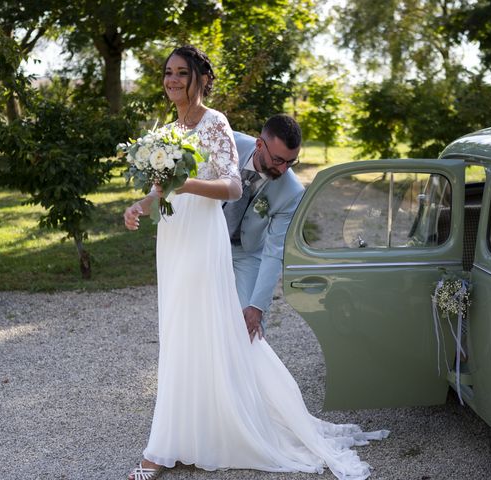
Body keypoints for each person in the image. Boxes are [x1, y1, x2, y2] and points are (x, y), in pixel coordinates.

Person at [123, 45, 387, 480]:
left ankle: (164, 448)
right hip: (177, 236)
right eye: (168, 72)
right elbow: (164, 188)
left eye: (181, 72)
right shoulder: (171, 130)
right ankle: (189, 428)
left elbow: (233, 193)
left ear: (198, 79)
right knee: (180, 328)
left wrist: (256, 306)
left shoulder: (217, 125)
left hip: (219, 246)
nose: (172, 79)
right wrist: (141, 204)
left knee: (231, 329)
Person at [224, 114, 304, 341]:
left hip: (246, 252)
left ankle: (248, 375)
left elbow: (274, 251)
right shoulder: (228, 145)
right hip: (208, 241)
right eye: (279, 160)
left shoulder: (292, 191)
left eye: (291, 162)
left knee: (249, 326)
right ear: (260, 144)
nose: (284, 169)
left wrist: (257, 306)